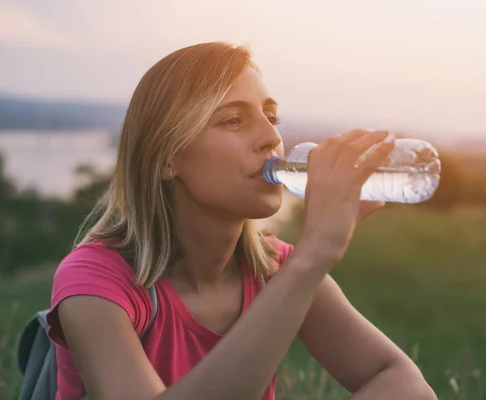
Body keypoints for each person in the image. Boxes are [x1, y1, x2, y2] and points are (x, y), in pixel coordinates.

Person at [46, 41, 437, 400]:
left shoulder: (273, 270)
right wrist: (314, 255)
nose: (270, 138)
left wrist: (304, 266)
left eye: (272, 118)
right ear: (167, 158)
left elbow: (405, 383)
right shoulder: (94, 281)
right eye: (233, 121)